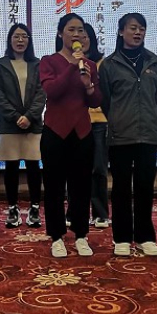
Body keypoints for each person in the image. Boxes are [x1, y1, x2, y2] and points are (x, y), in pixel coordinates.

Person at [99, 13, 157, 257]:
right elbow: (106, 101)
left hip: (148, 133)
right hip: (121, 134)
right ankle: (122, 238)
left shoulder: (154, 62)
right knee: (121, 188)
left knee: (145, 187)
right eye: (133, 28)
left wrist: (149, 118)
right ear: (121, 31)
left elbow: (156, 99)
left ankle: (145, 237)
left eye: (142, 29)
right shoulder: (109, 64)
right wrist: (119, 118)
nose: (138, 33)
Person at [39, 13, 102, 258]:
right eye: (71, 30)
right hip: (55, 131)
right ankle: (56, 236)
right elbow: (52, 91)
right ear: (60, 34)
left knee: (82, 187)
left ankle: (81, 235)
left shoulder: (90, 65)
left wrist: (88, 86)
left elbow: (96, 101)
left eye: (80, 30)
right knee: (54, 187)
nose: (77, 34)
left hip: (82, 132)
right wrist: (72, 66)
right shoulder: (49, 61)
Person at [0, 23, 45, 228]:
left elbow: (42, 93)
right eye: (16, 36)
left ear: (29, 41)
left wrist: (29, 116)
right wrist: (16, 117)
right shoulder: (0, 65)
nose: (20, 40)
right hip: (10, 124)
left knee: (33, 167)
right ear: (10, 40)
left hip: (33, 124)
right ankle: (12, 208)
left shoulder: (38, 64)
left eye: (24, 36)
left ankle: (34, 208)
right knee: (11, 167)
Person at [82, 24, 110, 229]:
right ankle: (75, 213)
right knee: (75, 170)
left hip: (99, 122)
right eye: (76, 36)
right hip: (76, 122)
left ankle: (100, 214)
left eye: (84, 36)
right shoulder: (67, 63)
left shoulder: (102, 64)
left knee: (99, 169)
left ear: (92, 39)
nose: (80, 40)